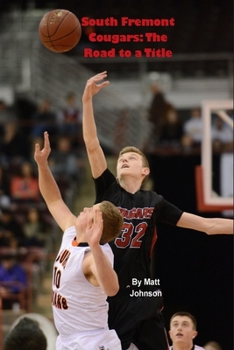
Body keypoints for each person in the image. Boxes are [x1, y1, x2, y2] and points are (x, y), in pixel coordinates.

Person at [81, 71, 234, 350]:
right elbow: (92, 145)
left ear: (145, 170)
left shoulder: (154, 201)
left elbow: (207, 226)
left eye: (132, 157)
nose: (124, 159)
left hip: (143, 286)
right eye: (122, 158)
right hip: (111, 286)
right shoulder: (108, 191)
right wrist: (87, 102)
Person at [34, 131, 123, 350]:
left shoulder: (93, 257)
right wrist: (43, 165)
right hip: (68, 339)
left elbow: (112, 289)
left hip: (92, 341)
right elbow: (54, 200)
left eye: (89, 211)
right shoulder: (72, 232)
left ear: (94, 225)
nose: (84, 209)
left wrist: (94, 246)